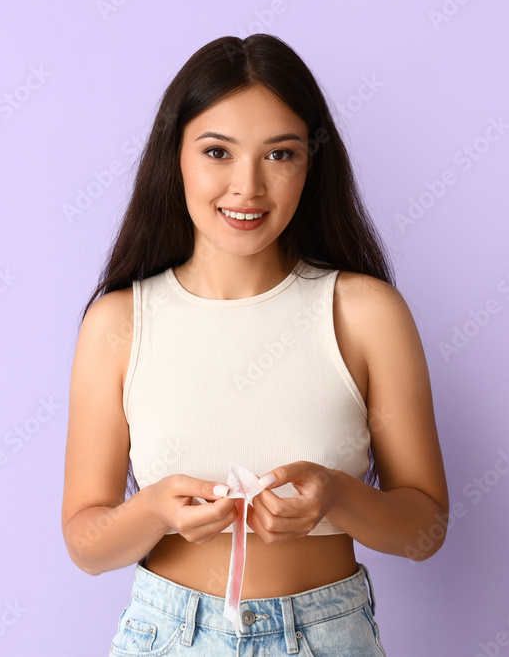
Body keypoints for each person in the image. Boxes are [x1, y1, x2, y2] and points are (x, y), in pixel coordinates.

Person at [60, 33, 448, 655]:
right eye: (217, 151)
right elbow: (86, 545)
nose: (247, 187)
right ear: (176, 157)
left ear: (310, 164)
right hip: (168, 635)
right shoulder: (118, 323)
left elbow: (425, 532)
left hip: (329, 635)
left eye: (279, 155)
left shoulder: (367, 314)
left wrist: (339, 495)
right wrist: (155, 508)